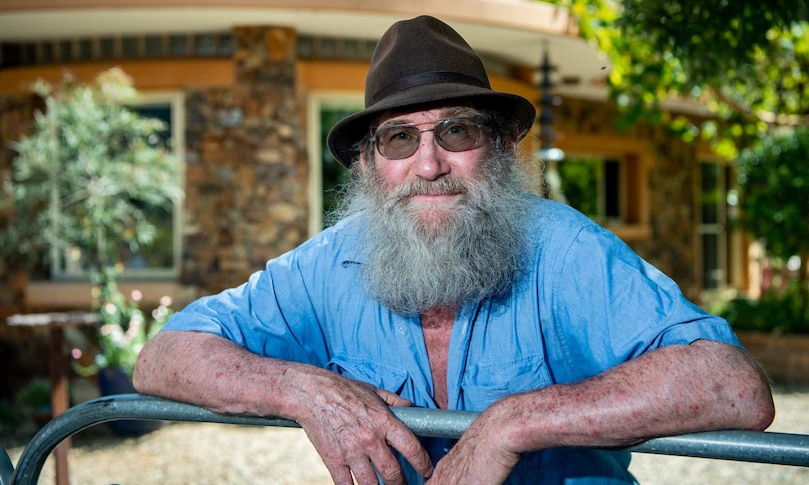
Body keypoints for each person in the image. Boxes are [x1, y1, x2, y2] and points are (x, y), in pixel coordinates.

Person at [134, 15, 774, 485]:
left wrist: (513, 423)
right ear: (367, 165)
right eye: (398, 140)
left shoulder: (562, 248)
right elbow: (163, 358)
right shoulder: (328, 264)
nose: (430, 163)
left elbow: (733, 387)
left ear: (497, 147)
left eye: (457, 131)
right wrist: (305, 390)